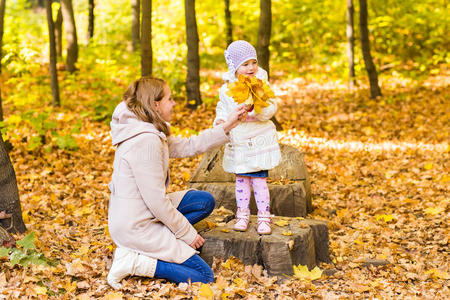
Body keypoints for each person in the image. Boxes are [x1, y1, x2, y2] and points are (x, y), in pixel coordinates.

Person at [106, 77, 246, 289]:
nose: (173, 103)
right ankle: (133, 261)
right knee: (203, 276)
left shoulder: (147, 130)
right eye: (169, 99)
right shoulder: (145, 141)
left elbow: (189, 146)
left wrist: (227, 126)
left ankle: (161, 244)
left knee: (203, 201)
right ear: (155, 105)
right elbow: (157, 202)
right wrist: (186, 234)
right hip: (136, 225)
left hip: (139, 211)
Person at [214, 40, 281, 235]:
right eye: (245, 64)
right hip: (240, 140)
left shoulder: (261, 84)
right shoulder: (227, 89)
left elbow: (271, 106)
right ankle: (242, 214)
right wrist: (220, 120)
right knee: (241, 179)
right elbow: (222, 108)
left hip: (258, 138)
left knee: (259, 180)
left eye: (254, 62)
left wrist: (258, 111)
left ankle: (263, 216)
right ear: (234, 67)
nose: (251, 67)